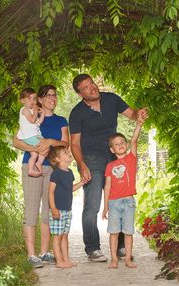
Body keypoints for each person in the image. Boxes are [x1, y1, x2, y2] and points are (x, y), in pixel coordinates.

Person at [69, 74, 148, 262]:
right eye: (86, 87)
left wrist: (141, 114)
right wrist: (82, 165)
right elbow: (74, 144)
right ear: (80, 93)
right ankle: (93, 248)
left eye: (92, 84)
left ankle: (121, 247)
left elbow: (133, 114)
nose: (92, 88)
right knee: (93, 205)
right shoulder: (77, 113)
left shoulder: (111, 99)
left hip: (114, 158)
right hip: (92, 159)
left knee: (119, 200)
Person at [13, 85, 69, 268]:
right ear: (40, 100)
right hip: (31, 166)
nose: (53, 98)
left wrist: (51, 142)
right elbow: (16, 142)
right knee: (31, 210)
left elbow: (65, 144)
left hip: (53, 170)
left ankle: (44, 253)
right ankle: (31, 255)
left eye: (55, 95)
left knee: (48, 213)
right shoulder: (30, 116)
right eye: (48, 95)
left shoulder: (61, 120)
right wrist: (36, 148)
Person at [102, 122, 142, 269]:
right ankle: (113, 259)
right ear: (112, 149)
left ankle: (127, 259)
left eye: (122, 143)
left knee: (128, 232)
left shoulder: (131, 159)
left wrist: (139, 125)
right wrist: (105, 206)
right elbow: (107, 186)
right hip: (113, 203)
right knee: (113, 232)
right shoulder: (110, 166)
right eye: (116, 144)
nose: (120, 145)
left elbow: (134, 140)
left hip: (128, 202)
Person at [47, 146, 86, 268]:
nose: (69, 153)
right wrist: (53, 208)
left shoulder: (69, 173)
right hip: (57, 210)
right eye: (65, 152)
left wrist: (82, 183)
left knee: (65, 236)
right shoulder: (56, 174)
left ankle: (66, 260)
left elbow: (70, 189)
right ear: (57, 158)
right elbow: (51, 192)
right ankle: (59, 261)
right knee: (57, 237)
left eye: (68, 151)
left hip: (67, 210)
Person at [16, 88, 45, 177]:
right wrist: (36, 111)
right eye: (29, 98)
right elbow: (32, 120)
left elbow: (38, 122)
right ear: (22, 100)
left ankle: (31, 169)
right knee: (45, 146)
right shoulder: (24, 110)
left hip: (33, 134)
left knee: (34, 154)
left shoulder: (32, 111)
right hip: (29, 136)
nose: (32, 101)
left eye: (34, 98)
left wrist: (42, 113)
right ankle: (39, 163)